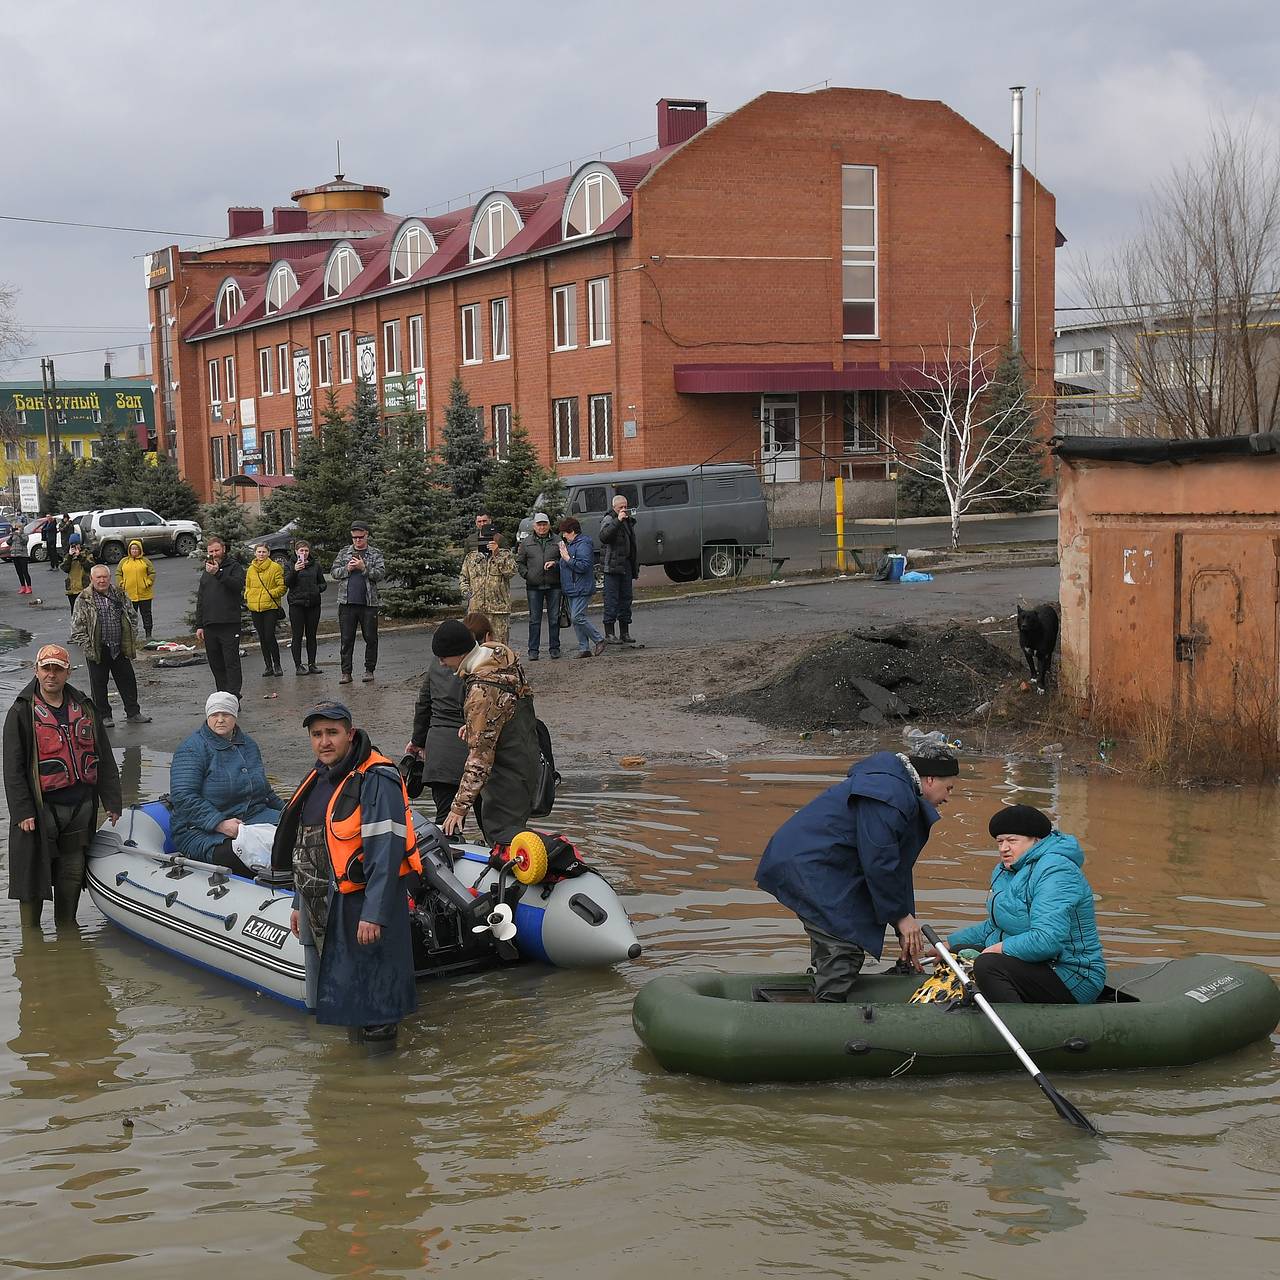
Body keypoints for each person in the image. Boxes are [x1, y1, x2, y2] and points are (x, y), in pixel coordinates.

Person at [755, 747, 959, 1002]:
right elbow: (880, 862)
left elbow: (897, 868)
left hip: (822, 866)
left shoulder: (895, 789)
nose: (948, 797)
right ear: (930, 779)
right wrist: (899, 916)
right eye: (948, 788)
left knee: (839, 940)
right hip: (811, 867)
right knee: (845, 946)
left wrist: (905, 927)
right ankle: (823, 1018)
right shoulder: (890, 794)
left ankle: (820, 996)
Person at [273, 701, 421, 1050]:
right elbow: (307, 846)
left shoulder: (377, 777)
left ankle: (381, 1081)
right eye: (317, 735)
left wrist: (374, 913)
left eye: (332, 733)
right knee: (350, 998)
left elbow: (386, 852)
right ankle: (359, 1081)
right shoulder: (319, 777)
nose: (324, 742)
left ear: (350, 734)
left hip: (361, 907)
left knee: (376, 1007)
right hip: (324, 904)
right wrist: (299, 902)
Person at [3, 643, 122, 927]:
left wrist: (112, 801)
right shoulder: (21, 712)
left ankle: (67, 929)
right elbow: (12, 767)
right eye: (46, 669)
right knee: (31, 877)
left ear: (67, 673)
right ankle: (32, 942)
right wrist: (22, 812)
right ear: (37, 671)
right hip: (40, 811)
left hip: (80, 808)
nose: (51, 675)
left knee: (71, 873)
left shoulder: (84, 707)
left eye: (58, 669)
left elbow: (103, 755)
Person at [948, 805, 1105, 1005]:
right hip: (1038, 963)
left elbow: (1047, 940)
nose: (1004, 848)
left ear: (1036, 841)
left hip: (1072, 974)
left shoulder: (1057, 871)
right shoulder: (1007, 870)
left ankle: (1017, 1026)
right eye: (999, 841)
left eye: (1012, 840)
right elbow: (997, 926)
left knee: (988, 965)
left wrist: (998, 949)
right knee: (957, 952)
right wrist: (949, 943)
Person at [431, 619, 540, 847]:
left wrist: (458, 809)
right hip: (527, 763)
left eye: (443, 657)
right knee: (517, 834)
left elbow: (479, 760)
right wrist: (476, 724)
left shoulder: (481, 692)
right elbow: (513, 701)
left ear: (460, 654)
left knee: (504, 841)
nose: (441, 663)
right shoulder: (500, 655)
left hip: (505, 780)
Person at [170, 691, 285, 877]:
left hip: (252, 817)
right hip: (202, 830)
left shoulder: (249, 745)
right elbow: (183, 796)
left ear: (235, 716)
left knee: (298, 837)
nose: (220, 719)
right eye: (215, 715)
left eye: (226, 714)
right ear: (208, 717)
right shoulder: (192, 748)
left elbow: (265, 792)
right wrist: (220, 823)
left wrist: (290, 813)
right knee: (239, 856)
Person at [69, 564, 151, 727]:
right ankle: (104, 716)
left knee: (128, 680)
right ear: (92, 579)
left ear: (109, 578)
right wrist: (88, 647)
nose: (102, 580)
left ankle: (133, 713)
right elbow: (76, 628)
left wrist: (131, 637)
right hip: (97, 649)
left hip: (120, 647)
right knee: (99, 684)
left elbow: (132, 617)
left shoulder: (119, 594)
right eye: (98, 577)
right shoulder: (84, 598)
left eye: (104, 577)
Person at [405, 641, 470, 828]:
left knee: (446, 823)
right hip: (472, 754)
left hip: (441, 756)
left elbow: (423, 705)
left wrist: (418, 741)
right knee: (491, 825)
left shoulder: (436, 663)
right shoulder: (480, 666)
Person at [331, 521, 385, 686]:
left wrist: (364, 567)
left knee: (371, 638)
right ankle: (346, 672)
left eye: (360, 537)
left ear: (367, 535)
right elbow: (334, 572)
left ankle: (369, 670)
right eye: (354, 537)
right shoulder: (344, 553)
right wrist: (347, 568)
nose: (357, 540)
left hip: (368, 604)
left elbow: (380, 574)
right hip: (347, 603)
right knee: (346, 640)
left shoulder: (374, 553)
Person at [194, 535, 245, 699]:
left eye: (216, 550)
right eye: (211, 551)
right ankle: (223, 696)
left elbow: (237, 586)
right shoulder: (206, 572)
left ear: (223, 550)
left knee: (231, 662)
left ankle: (234, 696)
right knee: (216, 664)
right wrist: (199, 624)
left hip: (229, 623)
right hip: (210, 625)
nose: (214, 554)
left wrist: (218, 573)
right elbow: (201, 599)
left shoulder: (234, 567)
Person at [459, 515, 517, 645]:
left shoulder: (504, 554)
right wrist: (468, 594)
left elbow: (511, 572)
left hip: (498, 610)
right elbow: (463, 577)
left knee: (499, 647)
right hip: (476, 610)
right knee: (476, 646)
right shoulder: (471, 557)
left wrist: (497, 554)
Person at [557, 517, 606, 658]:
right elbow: (567, 562)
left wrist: (566, 558)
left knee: (577, 617)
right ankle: (584, 648)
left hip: (581, 586)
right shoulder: (571, 544)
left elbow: (583, 566)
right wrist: (556, 563)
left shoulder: (583, 544)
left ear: (571, 531)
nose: (563, 536)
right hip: (572, 587)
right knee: (576, 617)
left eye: (564, 533)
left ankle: (599, 639)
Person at [516, 511, 562, 661]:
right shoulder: (526, 542)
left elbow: (565, 559)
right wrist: (527, 575)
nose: (542, 527)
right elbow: (520, 562)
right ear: (534, 526)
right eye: (539, 524)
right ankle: (533, 650)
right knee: (534, 620)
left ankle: (554, 648)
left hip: (554, 585)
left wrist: (556, 564)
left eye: (544, 524)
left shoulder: (558, 540)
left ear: (548, 525)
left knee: (554, 618)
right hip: (534, 586)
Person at [599, 494, 640, 645]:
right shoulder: (609, 519)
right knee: (611, 599)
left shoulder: (628, 521)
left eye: (625, 507)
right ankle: (609, 633)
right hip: (612, 566)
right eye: (620, 507)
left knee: (626, 599)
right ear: (614, 508)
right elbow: (604, 537)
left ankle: (625, 632)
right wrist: (618, 520)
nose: (624, 510)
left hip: (626, 564)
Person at [245, 542, 287, 678]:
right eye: (259, 552)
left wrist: (269, 593)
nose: (261, 554)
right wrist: (248, 596)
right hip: (255, 607)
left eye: (264, 552)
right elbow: (248, 586)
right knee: (262, 637)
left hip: (270, 607)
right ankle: (268, 666)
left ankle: (277, 664)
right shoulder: (251, 569)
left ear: (268, 553)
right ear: (255, 553)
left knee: (269, 636)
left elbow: (282, 587)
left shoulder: (275, 567)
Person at [285, 540, 327, 674]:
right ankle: (298, 665)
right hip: (297, 604)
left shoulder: (315, 565)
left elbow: (323, 583)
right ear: (296, 552)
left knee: (311, 635)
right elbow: (287, 583)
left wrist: (316, 589)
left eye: (306, 551)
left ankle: (312, 664)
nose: (304, 553)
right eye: (301, 551)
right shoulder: (289, 565)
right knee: (297, 636)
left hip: (313, 604)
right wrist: (295, 571)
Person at [115, 539, 156, 640]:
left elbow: (152, 573)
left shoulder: (145, 561)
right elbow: (118, 573)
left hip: (144, 594)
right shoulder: (124, 561)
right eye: (132, 549)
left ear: (140, 550)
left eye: (136, 549)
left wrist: (148, 582)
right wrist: (121, 584)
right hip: (129, 594)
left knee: (146, 614)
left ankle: (148, 634)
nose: (134, 551)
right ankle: (131, 636)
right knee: (130, 616)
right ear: (129, 550)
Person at [61, 532, 94, 610]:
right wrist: (69, 556)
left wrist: (79, 556)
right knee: (74, 610)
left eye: (76, 544)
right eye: (72, 545)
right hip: (72, 590)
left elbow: (90, 567)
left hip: (83, 587)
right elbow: (65, 568)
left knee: (85, 609)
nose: (75, 546)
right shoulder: (68, 556)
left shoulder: (86, 554)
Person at [10, 517, 32, 594]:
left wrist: (19, 535)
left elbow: (24, 542)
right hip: (14, 555)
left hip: (23, 555)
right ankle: (23, 586)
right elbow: (9, 543)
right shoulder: (14, 535)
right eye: (16, 527)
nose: (17, 529)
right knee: (19, 572)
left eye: (18, 527)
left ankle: (29, 587)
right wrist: (11, 535)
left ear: (22, 528)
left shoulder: (24, 535)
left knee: (25, 571)